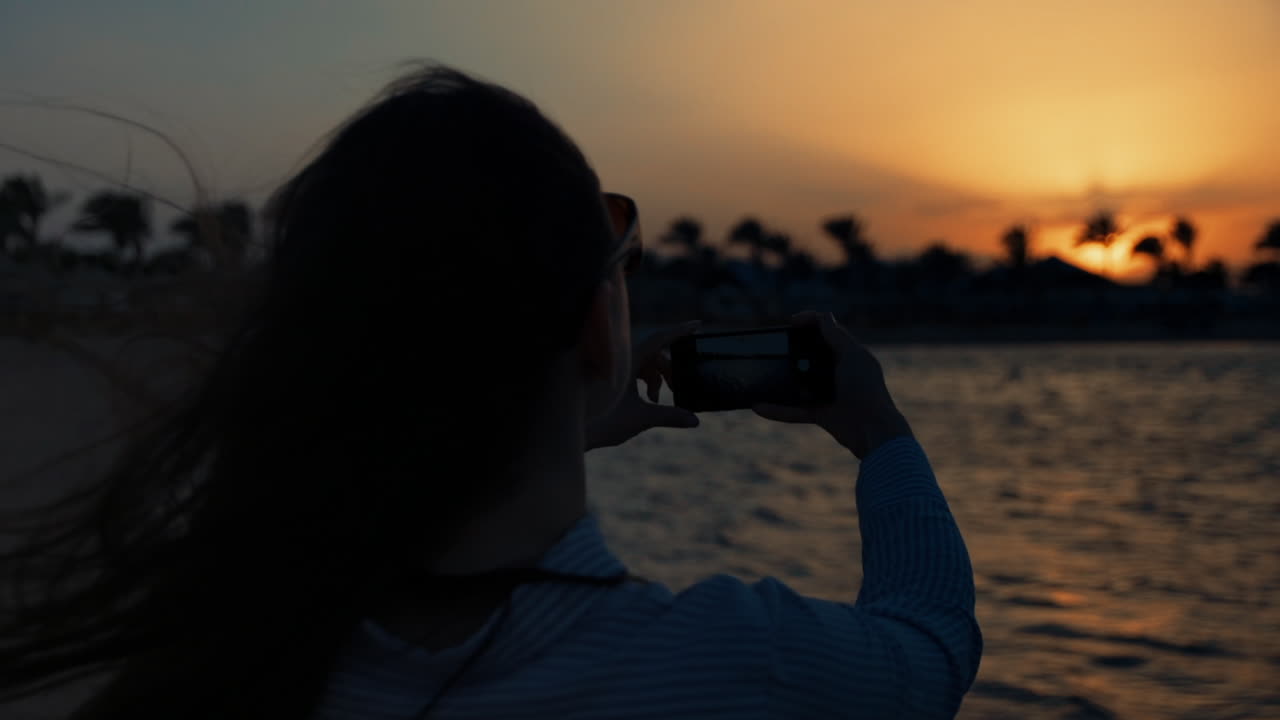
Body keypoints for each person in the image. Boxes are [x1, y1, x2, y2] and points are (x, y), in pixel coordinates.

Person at [0, 64, 980, 719]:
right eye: (620, 262)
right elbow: (930, 645)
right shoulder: (739, 663)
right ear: (594, 329)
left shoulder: (213, 653)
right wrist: (879, 433)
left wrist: (561, 428)